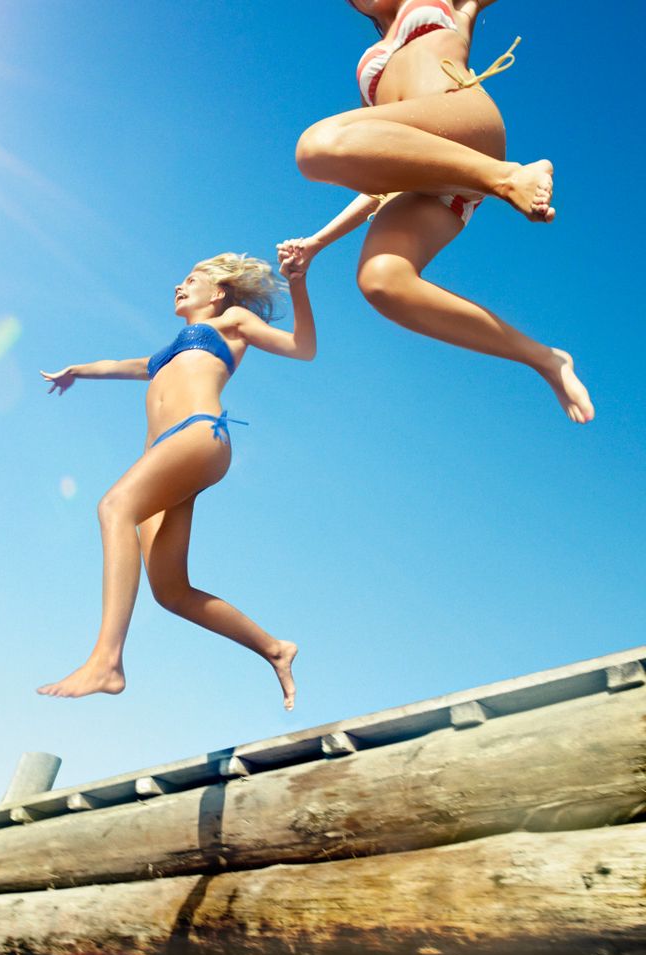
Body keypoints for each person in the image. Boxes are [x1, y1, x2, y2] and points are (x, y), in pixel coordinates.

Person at [278, 0, 594, 424]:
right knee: (382, 281)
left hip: (464, 120)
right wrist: (316, 243)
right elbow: (385, 165)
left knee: (317, 146)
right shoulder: (376, 61)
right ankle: (545, 358)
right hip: (437, 176)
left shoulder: (444, 5)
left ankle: (506, 177)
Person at [37, 251, 315, 709]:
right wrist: (77, 372)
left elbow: (302, 347)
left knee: (113, 507)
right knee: (170, 591)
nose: (178, 286)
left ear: (219, 292)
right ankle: (274, 648)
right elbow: (119, 364)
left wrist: (299, 284)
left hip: (198, 433)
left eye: (191, 279)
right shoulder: (165, 355)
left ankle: (106, 661)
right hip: (165, 454)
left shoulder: (231, 322)